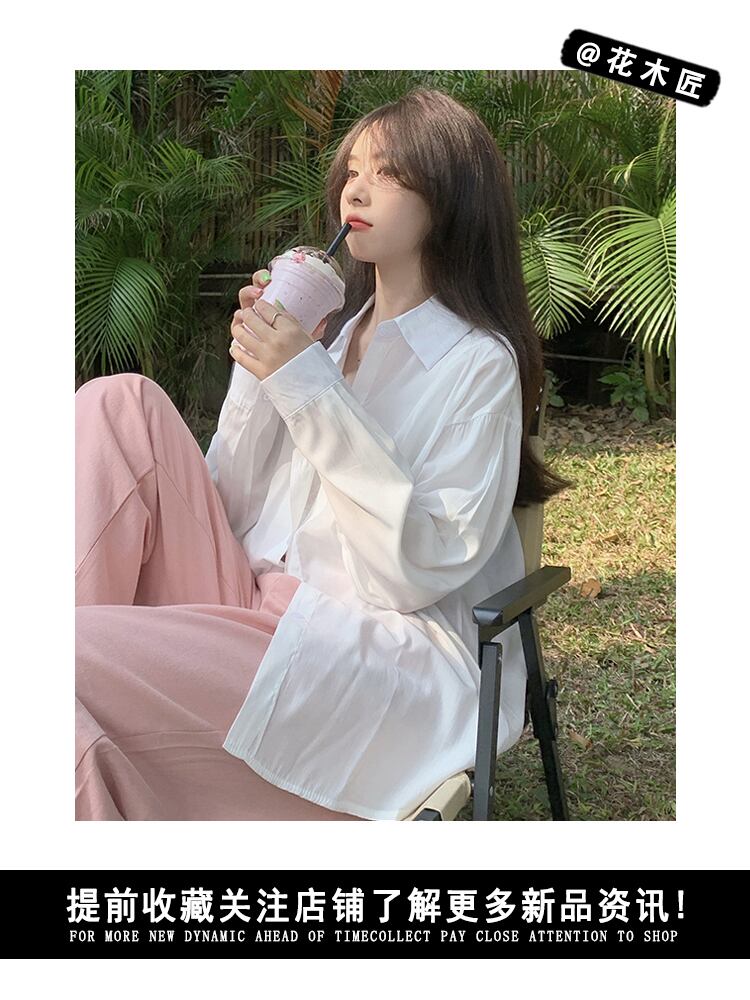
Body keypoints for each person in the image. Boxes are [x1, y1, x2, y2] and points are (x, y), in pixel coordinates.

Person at [75, 85, 573, 821]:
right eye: (353, 171)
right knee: (121, 403)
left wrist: (306, 385)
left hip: (356, 642)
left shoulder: (478, 364)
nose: (356, 190)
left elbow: (412, 573)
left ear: (451, 198)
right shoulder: (333, 339)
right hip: (250, 600)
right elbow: (233, 507)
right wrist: (263, 372)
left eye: (389, 172)